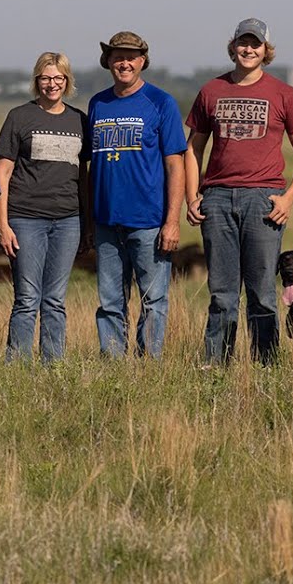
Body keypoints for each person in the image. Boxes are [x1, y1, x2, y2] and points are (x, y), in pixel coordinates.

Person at [184, 18, 293, 366]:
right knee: (222, 294)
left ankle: (266, 366)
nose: (248, 49)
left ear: (266, 50)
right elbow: (192, 149)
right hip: (218, 199)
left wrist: (288, 198)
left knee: (262, 293)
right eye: (243, 42)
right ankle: (215, 366)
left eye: (256, 44)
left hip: (264, 200)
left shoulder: (285, 94)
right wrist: (192, 196)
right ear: (233, 46)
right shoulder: (211, 91)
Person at [85, 31, 187, 359]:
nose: (124, 63)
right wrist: (89, 218)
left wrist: (171, 221)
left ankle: (148, 367)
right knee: (111, 302)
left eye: (131, 57)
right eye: (117, 57)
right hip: (106, 223)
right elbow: (90, 166)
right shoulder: (98, 103)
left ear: (143, 61)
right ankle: (114, 367)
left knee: (153, 301)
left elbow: (175, 165)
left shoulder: (161, 102)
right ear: (108, 62)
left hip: (148, 222)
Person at [0, 52, 90, 364]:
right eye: (46, 78)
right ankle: (17, 369)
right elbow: (2, 174)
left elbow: (84, 176)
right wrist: (2, 224)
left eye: (58, 78)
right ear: (37, 81)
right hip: (25, 219)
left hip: (68, 220)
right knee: (26, 299)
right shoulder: (19, 116)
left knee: (55, 300)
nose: (52, 84)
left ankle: (53, 368)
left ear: (67, 81)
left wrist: (87, 222)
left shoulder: (79, 119)